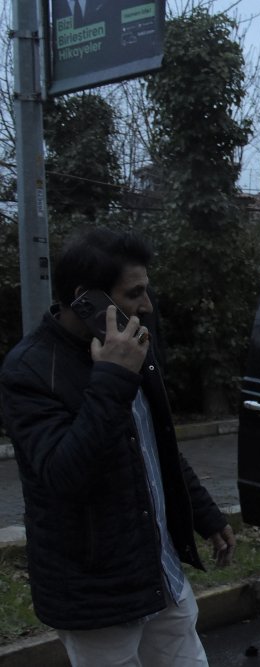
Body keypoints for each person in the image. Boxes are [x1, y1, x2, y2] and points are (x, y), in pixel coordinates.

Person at [0, 228, 236, 666]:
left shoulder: (131, 345)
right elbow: (63, 474)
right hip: (96, 593)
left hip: (158, 572)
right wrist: (112, 378)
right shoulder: (30, 369)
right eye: (134, 293)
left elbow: (155, 444)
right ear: (86, 299)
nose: (147, 305)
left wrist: (204, 513)